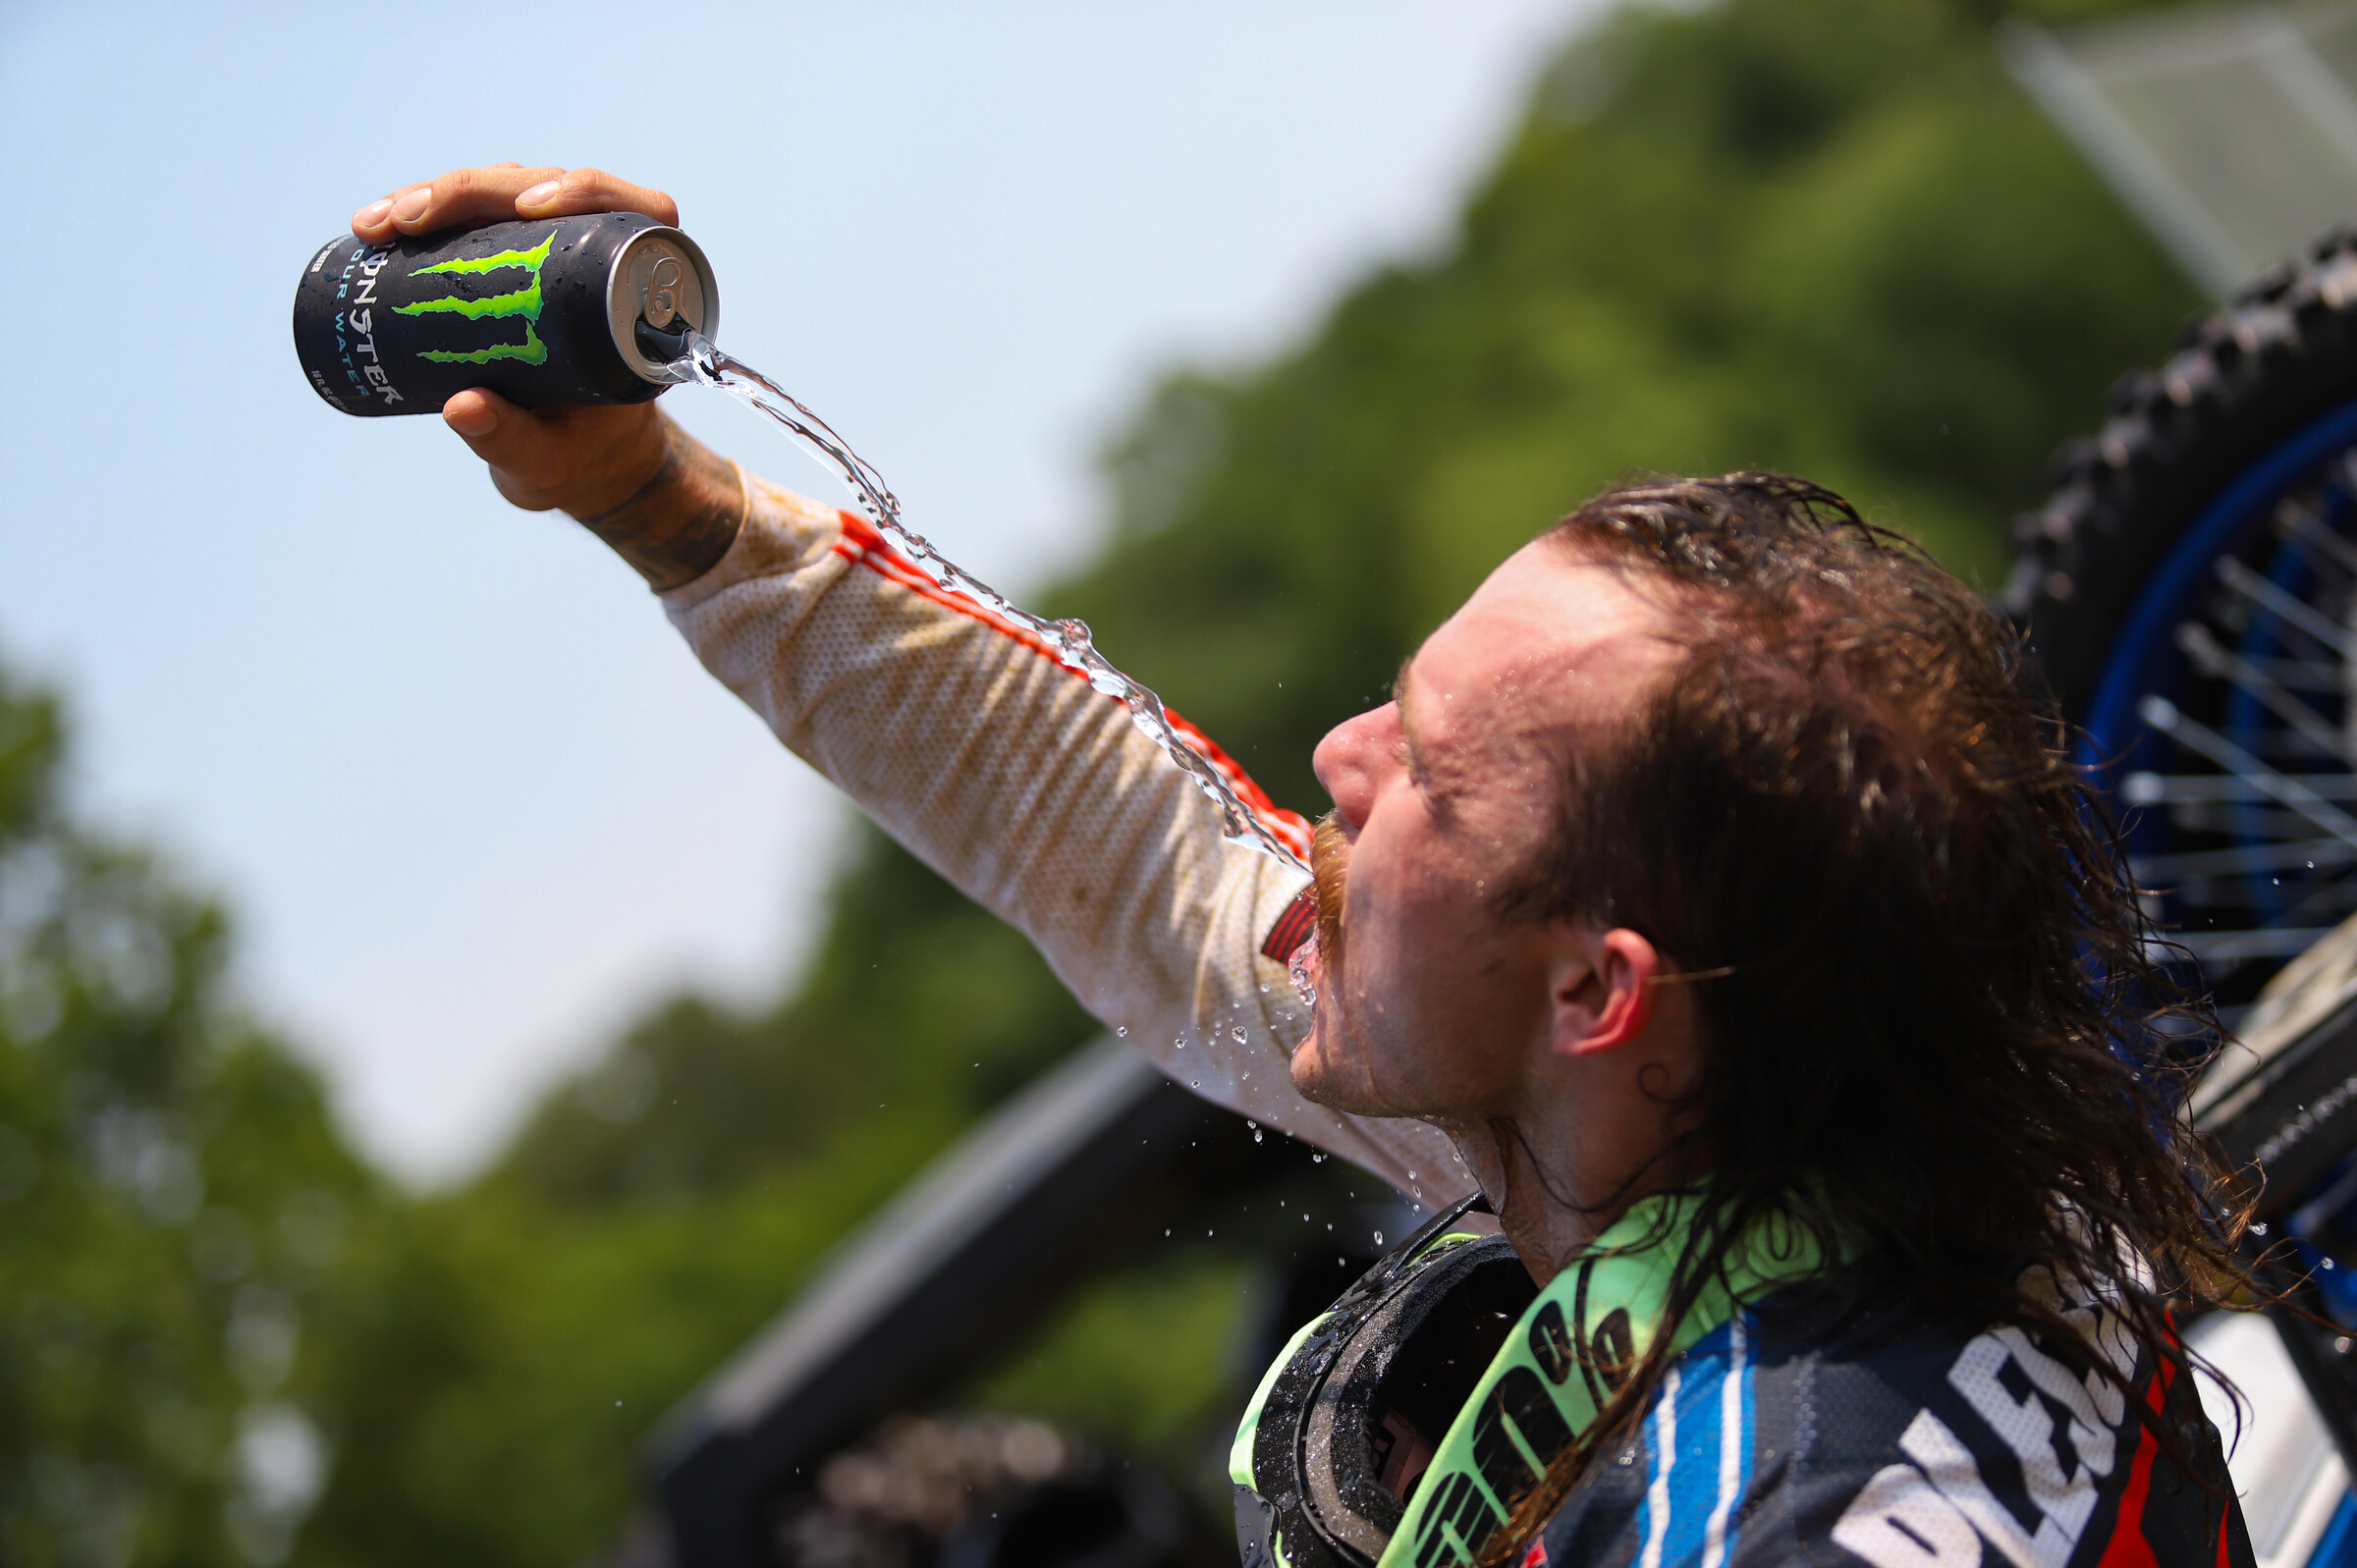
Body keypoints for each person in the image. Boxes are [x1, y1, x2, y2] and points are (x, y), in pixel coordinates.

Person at [350, 167, 2258, 1568]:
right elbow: (1137, 851)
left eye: (1422, 765)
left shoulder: (1777, 1508)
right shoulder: (1847, 1144)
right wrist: (654, 496)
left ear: (1600, 991)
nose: (1337, 758)